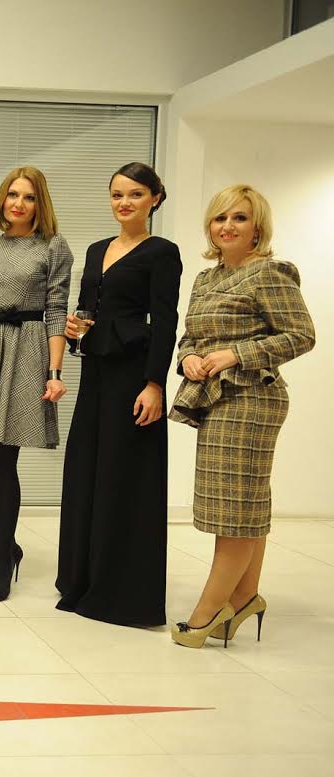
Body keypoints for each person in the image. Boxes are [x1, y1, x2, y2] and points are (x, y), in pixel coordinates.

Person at [168, 185, 315, 648]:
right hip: (215, 397)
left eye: (239, 218)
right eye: (220, 218)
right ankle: (245, 596)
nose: (227, 226)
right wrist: (189, 358)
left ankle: (207, 614)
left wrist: (236, 354)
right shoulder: (206, 279)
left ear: (257, 228)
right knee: (242, 506)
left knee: (233, 510)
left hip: (252, 399)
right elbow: (191, 336)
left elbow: (301, 335)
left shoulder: (270, 273)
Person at [56, 162, 182, 626]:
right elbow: (88, 309)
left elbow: (165, 322)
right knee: (87, 472)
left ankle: (122, 593)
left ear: (154, 198)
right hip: (96, 373)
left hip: (133, 377)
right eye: (116, 195)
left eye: (134, 194)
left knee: (124, 478)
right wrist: (75, 328)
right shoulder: (96, 250)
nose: (124, 203)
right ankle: (81, 580)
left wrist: (155, 383)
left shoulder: (162, 252)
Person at [0, 167, 73, 602]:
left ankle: (2, 555)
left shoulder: (53, 246)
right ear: (2, 200)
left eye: (28, 197)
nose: (18, 204)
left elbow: (56, 310)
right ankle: (8, 546)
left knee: (6, 456)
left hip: (26, 350)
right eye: (12, 195)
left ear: (40, 204)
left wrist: (55, 373)